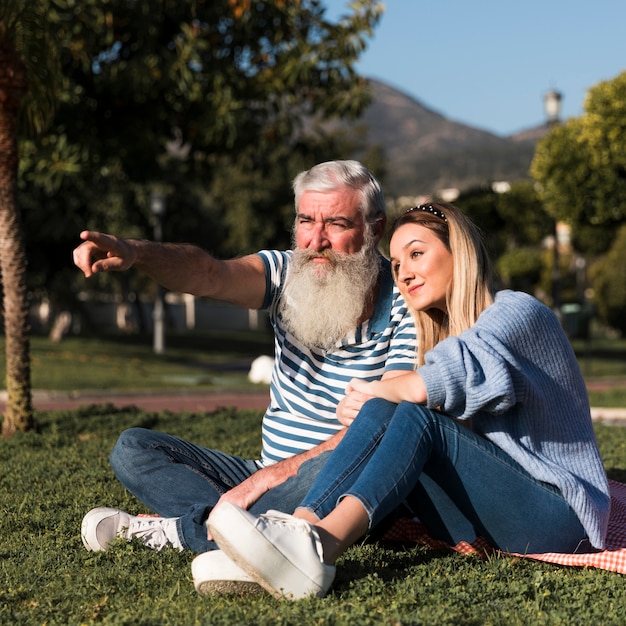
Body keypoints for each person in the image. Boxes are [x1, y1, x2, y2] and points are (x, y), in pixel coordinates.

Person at [204, 201, 611, 600]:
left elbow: (438, 381)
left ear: (460, 251)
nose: (404, 274)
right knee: (391, 409)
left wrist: (372, 396)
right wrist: (376, 403)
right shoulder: (443, 339)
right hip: (495, 515)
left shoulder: (518, 312)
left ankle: (318, 546)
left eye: (417, 254)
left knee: (410, 412)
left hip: (559, 516)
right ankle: (297, 532)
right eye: (396, 265)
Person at [74, 161, 416, 573]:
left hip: (335, 480)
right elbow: (209, 274)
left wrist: (275, 476)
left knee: (338, 464)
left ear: (374, 229)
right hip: (264, 472)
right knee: (132, 449)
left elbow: (386, 427)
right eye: (306, 220)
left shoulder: (405, 305)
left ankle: (180, 532)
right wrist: (136, 253)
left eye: (337, 223)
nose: (316, 239)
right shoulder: (286, 272)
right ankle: (248, 529)